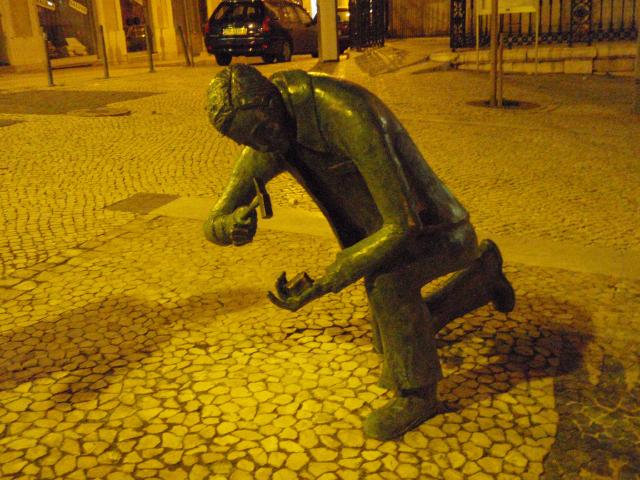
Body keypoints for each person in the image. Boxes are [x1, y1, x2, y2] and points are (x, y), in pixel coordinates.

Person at [203, 64, 515, 440]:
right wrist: (229, 226)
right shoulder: (270, 132)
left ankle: (417, 395)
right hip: (385, 237)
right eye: (249, 142)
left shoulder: (344, 114)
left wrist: (328, 280)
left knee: (389, 284)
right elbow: (214, 220)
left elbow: (403, 225)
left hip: (439, 231)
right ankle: (484, 278)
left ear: (273, 101)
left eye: (261, 133)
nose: (262, 147)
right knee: (394, 340)